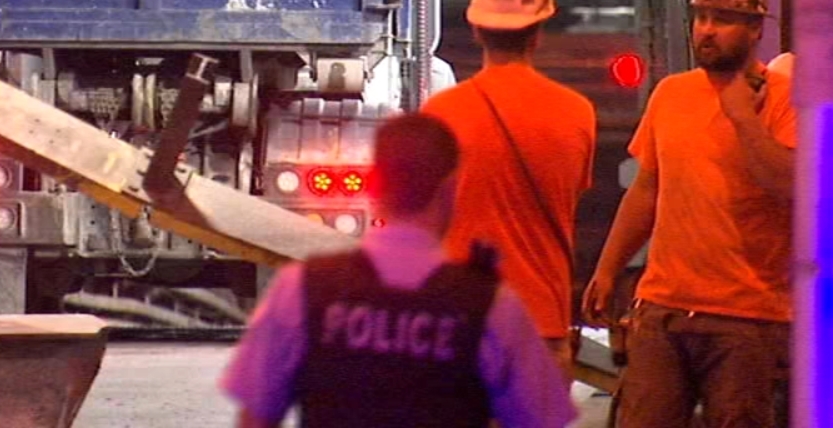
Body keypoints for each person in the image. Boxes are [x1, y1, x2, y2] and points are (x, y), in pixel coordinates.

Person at [220, 112, 576, 428]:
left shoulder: (301, 288)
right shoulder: (491, 306)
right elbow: (542, 418)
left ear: (375, 183)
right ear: (451, 189)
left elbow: (255, 417)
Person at [582, 0, 795, 428]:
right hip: (664, 309)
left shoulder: (781, 98)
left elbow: (787, 184)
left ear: (756, 28)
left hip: (746, 317)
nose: (706, 30)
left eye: (722, 19)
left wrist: (742, 117)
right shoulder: (671, 95)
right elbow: (647, 188)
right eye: (701, 17)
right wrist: (608, 268)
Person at [423, 0, 597, 369]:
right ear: (538, 31)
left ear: (475, 29)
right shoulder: (577, 113)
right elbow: (571, 197)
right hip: (541, 326)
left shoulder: (441, 113)